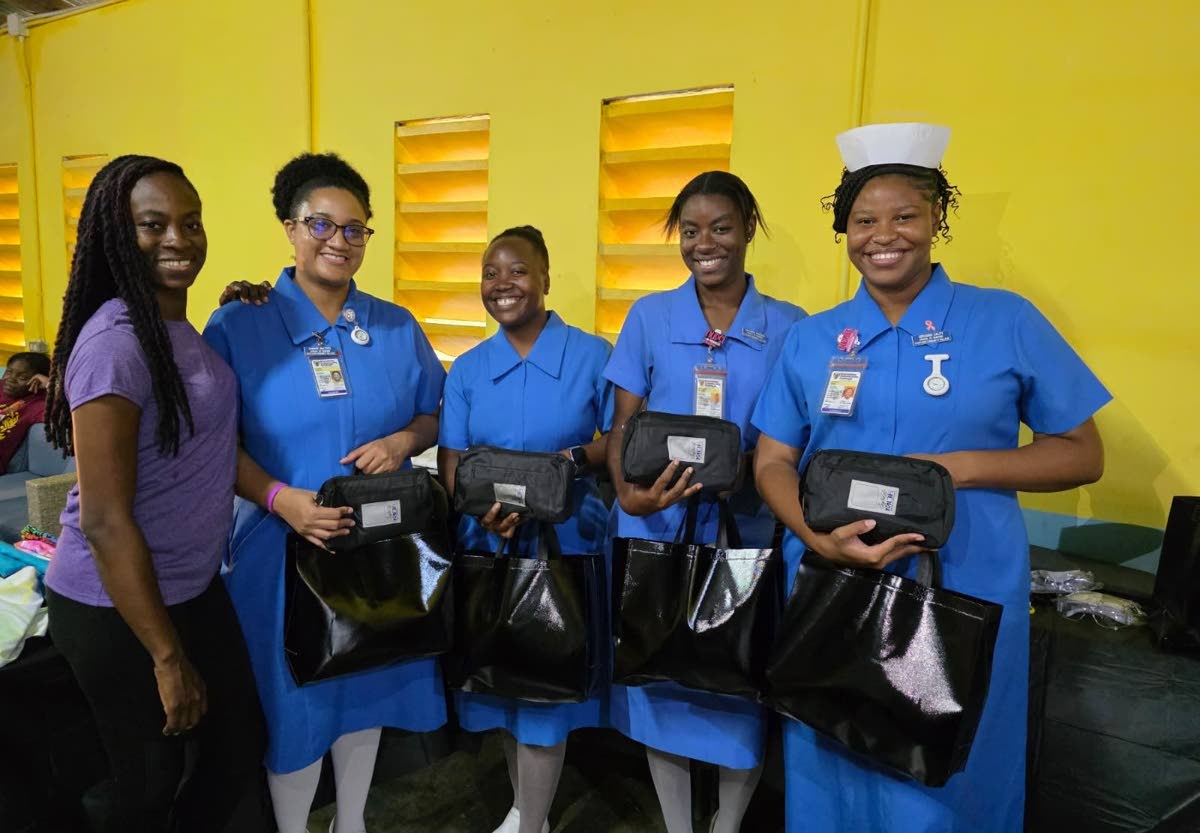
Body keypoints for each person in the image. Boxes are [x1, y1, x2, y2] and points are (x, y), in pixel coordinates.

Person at [752, 122, 1110, 832]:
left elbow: (1081, 450)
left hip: (962, 588)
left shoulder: (1001, 320)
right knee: (832, 754)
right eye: (864, 220)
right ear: (844, 231)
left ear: (937, 220)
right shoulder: (815, 338)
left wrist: (958, 468)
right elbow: (771, 460)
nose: (885, 235)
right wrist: (816, 540)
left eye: (906, 215)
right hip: (836, 582)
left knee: (946, 774)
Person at [203, 152, 446, 833]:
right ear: (289, 227)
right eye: (321, 224)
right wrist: (281, 498)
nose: (338, 240)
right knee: (298, 704)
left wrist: (404, 441)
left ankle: (355, 820)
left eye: (355, 229)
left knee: (363, 688)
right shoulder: (238, 326)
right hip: (279, 553)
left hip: (376, 549)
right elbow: (214, 444)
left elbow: (435, 410)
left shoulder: (395, 326)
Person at [42, 155, 266, 833]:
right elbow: (107, 520)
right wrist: (167, 657)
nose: (179, 238)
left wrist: (244, 312)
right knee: (148, 779)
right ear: (117, 233)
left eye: (190, 222)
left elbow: (198, 442)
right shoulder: (114, 342)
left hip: (192, 587)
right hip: (114, 601)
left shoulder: (178, 328)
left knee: (236, 747)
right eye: (153, 224)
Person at [604, 171, 806, 833]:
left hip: (744, 529)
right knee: (663, 674)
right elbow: (623, 425)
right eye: (690, 230)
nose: (704, 242)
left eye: (720, 226)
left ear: (748, 227)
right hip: (657, 523)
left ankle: (725, 823)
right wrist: (626, 494)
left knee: (736, 678)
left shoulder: (790, 328)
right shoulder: (649, 317)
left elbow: (795, 437)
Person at [437, 225, 613, 833]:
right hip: (487, 543)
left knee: (544, 695)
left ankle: (531, 820)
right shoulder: (466, 368)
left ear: (544, 277)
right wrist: (477, 505)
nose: (502, 283)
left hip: (566, 545)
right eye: (490, 273)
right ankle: (524, 812)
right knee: (503, 689)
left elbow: (617, 441)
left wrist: (564, 467)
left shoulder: (593, 356)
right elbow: (452, 460)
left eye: (517, 270)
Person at [0, 351, 51, 473]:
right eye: (9, 372)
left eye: (22, 377)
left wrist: (50, 384)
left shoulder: (36, 405)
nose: (10, 380)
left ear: (37, 382)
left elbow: (71, 410)